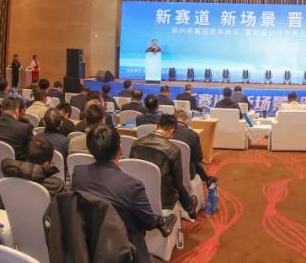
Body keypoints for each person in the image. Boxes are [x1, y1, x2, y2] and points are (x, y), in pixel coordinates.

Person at [71, 126, 176, 263]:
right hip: (125, 250)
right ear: (120, 149)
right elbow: (149, 223)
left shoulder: (78, 173)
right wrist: (159, 221)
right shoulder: (131, 185)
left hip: (89, 243)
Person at [130, 115, 198, 215]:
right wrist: (188, 206)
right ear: (172, 131)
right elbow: (178, 183)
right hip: (164, 200)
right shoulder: (173, 150)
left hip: (140, 195)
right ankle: (190, 209)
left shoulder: (136, 144)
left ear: (156, 126)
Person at [174, 110, 214, 183]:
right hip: (186, 172)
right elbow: (198, 158)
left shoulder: (166, 132)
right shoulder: (193, 134)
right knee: (193, 160)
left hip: (166, 170)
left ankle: (207, 179)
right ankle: (207, 179)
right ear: (186, 120)